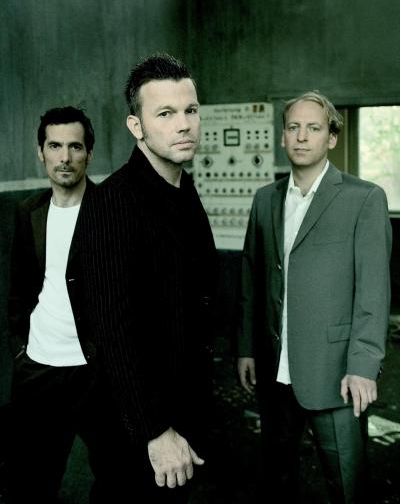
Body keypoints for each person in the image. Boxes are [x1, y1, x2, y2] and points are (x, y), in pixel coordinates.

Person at [74, 52, 218, 503]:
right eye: (165, 113)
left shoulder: (183, 188)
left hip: (184, 408)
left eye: (191, 110)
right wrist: (155, 431)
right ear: (136, 126)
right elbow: (111, 331)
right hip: (137, 427)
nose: (184, 125)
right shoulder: (113, 202)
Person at [237, 91, 392, 503]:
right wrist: (247, 348)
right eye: (293, 127)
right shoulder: (265, 199)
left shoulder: (364, 198)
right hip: (275, 372)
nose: (302, 137)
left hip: (337, 375)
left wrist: (363, 365)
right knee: (276, 482)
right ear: (282, 137)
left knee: (347, 486)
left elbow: (373, 292)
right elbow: (252, 279)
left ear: (331, 138)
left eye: (313, 128)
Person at [6, 106, 97, 503]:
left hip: (95, 371)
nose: (65, 157)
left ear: (89, 153)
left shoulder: (111, 209)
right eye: (55, 146)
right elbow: (20, 289)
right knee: (30, 483)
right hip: (38, 368)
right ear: (40, 152)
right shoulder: (28, 211)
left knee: (117, 479)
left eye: (74, 146)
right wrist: (20, 348)